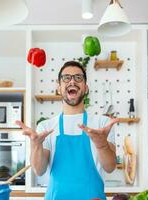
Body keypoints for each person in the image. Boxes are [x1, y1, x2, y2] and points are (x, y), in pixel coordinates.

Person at [16, 61, 118, 200]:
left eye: (78, 78)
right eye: (66, 78)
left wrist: (102, 144)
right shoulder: (46, 127)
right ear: (59, 88)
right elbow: (39, 170)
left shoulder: (102, 123)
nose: (72, 81)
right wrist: (36, 146)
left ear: (86, 88)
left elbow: (110, 167)